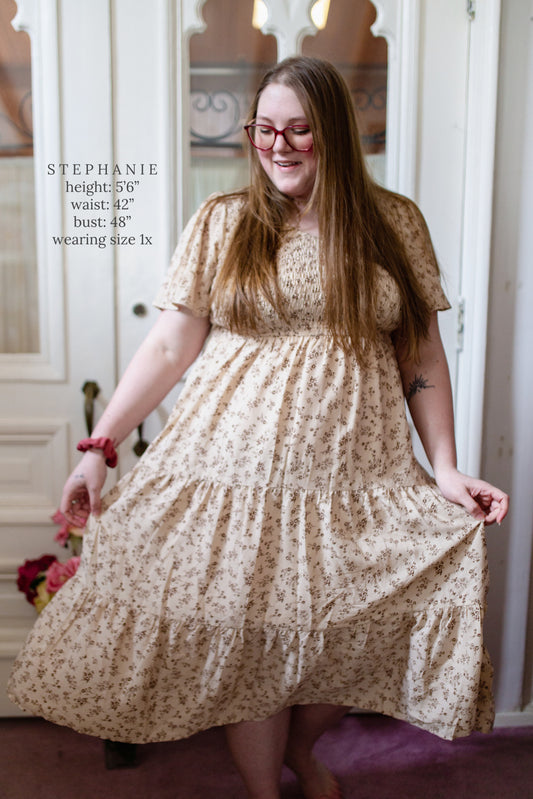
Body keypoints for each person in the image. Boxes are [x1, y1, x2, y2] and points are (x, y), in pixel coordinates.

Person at [9, 56, 509, 799]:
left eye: (298, 130)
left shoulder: (393, 222)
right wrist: (98, 449)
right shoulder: (223, 221)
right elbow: (169, 345)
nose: (277, 145)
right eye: (264, 129)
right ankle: (266, 790)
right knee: (253, 649)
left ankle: (301, 750)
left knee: (355, 627)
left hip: (355, 474)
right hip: (233, 472)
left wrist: (443, 467)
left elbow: (419, 352)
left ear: (332, 133)